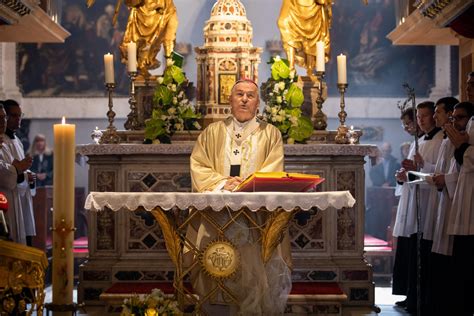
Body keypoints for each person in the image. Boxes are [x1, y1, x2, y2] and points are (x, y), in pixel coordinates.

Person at [189, 79, 290, 314]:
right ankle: (217, 307)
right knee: (216, 258)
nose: (244, 99)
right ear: (230, 100)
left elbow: (273, 170)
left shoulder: (270, 134)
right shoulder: (212, 132)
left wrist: (245, 184)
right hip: (218, 215)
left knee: (253, 267)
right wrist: (224, 182)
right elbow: (199, 165)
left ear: (258, 104)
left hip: (255, 218)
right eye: (239, 94)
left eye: (251, 95)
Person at [444, 101, 474, 316]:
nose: (455, 123)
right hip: (463, 201)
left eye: (459, 118)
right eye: (453, 118)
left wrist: (463, 148)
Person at [391, 107, 420, 307]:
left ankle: (415, 296)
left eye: (409, 123)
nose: (406, 128)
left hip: (423, 202)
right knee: (407, 247)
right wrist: (402, 178)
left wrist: (410, 174)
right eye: (404, 125)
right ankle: (410, 293)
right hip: (411, 198)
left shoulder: (429, 142)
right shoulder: (416, 143)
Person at [0, 100, 36, 246]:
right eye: (13, 116)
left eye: (20, 115)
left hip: (19, 197)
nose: (18, 119)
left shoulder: (18, 141)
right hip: (6, 197)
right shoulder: (4, 143)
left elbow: (14, 168)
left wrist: (25, 174)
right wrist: (20, 172)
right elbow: (6, 173)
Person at [120, 0, 178, 77]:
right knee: (145, 42)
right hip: (148, 9)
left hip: (166, 5)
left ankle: (170, 64)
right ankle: (142, 63)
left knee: (171, 32)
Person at [278, 0, 332, 76]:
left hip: (311, 6)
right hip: (292, 3)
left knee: (311, 34)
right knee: (283, 22)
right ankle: (291, 68)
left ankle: (309, 69)